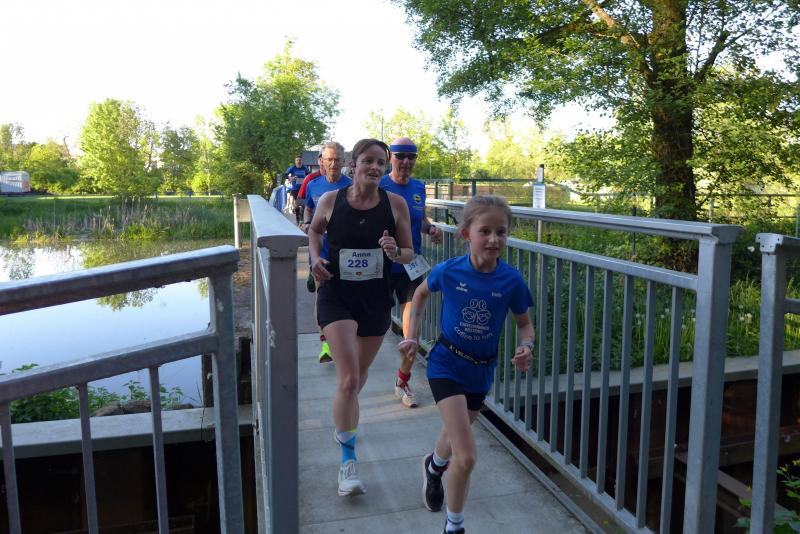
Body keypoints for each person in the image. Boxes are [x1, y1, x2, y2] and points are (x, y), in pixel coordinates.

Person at [399, 195, 535, 534]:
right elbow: (420, 294)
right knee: (468, 455)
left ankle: (433, 467)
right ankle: (454, 525)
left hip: (481, 370)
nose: (494, 239)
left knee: (453, 433)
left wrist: (526, 347)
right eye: (485, 231)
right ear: (466, 234)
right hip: (446, 363)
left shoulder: (511, 280)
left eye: (501, 232)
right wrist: (412, 336)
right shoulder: (450, 271)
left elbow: (525, 325)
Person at [307, 138, 413, 497]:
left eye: (380, 162)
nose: (375, 167)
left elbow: (409, 253)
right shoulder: (330, 200)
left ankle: (344, 416)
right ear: (353, 165)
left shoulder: (395, 204)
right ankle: (348, 462)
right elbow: (314, 231)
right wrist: (315, 259)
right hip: (336, 294)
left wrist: (395, 251)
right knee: (350, 378)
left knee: (357, 377)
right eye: (368, 160)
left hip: (374, 300)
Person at [380, 137, 443, 407]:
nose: (406, 161)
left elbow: (420, 219)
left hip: (411, 268)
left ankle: (402, 382)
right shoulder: (380, 185)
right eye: (400, 156)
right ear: (391, 158)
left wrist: (431, 229)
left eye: (411, 156)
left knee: (411, 334)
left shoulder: (418, 187)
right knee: (372, 327)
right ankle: (353, 378)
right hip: (381, 268)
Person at [302, 141, 352, 362]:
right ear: (321, 161)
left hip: (346, 253)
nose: (333, 164)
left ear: (344, 162)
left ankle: (345, 337)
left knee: (346, 296)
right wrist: (307, 222)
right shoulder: (314, 185)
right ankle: (325, 343)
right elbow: (308, 208)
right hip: (320, 252)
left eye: (337, 160)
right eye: (329, 159)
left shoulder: (351, 186)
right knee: (322, 295)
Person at [284, 154, 309, 224]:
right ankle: (297, 218)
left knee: (303, 204)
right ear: (295, 161)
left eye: (300, 160)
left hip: (303, 188)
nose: (298, 161)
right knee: (297, 204)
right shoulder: (292, 168)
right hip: (295, 188)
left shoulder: (305, 168)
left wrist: (306, 179)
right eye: (297, 160)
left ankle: (302, 219)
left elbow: (309, 175)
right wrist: (291, 178)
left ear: (302, 161)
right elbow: (285, 175)